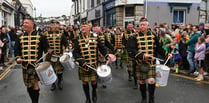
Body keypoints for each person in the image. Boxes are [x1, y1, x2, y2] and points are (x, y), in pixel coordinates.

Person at [127, 16, 168, 103]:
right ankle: (144, 98)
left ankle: (151, 98)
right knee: (142, 81)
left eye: (144, 25)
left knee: (151, 81)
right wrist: (141, 55)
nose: (142, 26)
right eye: (141, 25)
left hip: (151, 63)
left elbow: (159, 48)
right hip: (140, 63)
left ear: (148, 25)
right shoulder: (134, 37)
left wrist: (167, 55)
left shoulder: (153, 36)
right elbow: (131, 50)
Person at [73, 20, 115, 103]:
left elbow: (102, 48)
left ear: (89, 27)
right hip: (83, 65)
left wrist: (106, 55)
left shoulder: (95, 36)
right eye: (82, 27)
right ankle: (88, 98)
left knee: (94, 81)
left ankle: (94, 92)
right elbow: (75, 52)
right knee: (85, 82)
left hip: (94, 64)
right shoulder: (78, 38)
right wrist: (81, 61)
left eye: (85, 26)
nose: (83, 28)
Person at [14, 16, 50, 103]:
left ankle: (35, 102)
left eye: (26, 23)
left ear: (32, 24)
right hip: (25, 66)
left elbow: (46, 48)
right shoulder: (20, 37)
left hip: (36, 66)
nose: (24, 24)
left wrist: (49, 51)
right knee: (28, 86)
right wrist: (18, 57)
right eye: (24, 23)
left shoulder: (41, 36)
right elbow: (16, 50)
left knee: (35, 84)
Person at [45, 20, 69, 90]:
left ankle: (59, 82)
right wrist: (47, 49)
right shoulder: (46, 34)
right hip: (50, 56)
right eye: (51, 25)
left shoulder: (61, 34)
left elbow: (65, 43)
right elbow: (43, 44)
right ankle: (53, 83)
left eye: (54, 25)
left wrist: (67, 48)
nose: (52, 26)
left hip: (59, 55)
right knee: (51, 70)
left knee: (59, 70)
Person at [122, 22, 137, 89]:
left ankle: (134, 76)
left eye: (131, 26)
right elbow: (123, 42)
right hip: (128, 50)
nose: (130, 27)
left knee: (135, 64)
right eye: (129, 26)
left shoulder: (136, 33)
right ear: (127, 27)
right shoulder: (125, 34)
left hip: (135, 51)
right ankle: (129, 75)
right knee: (129, 64)